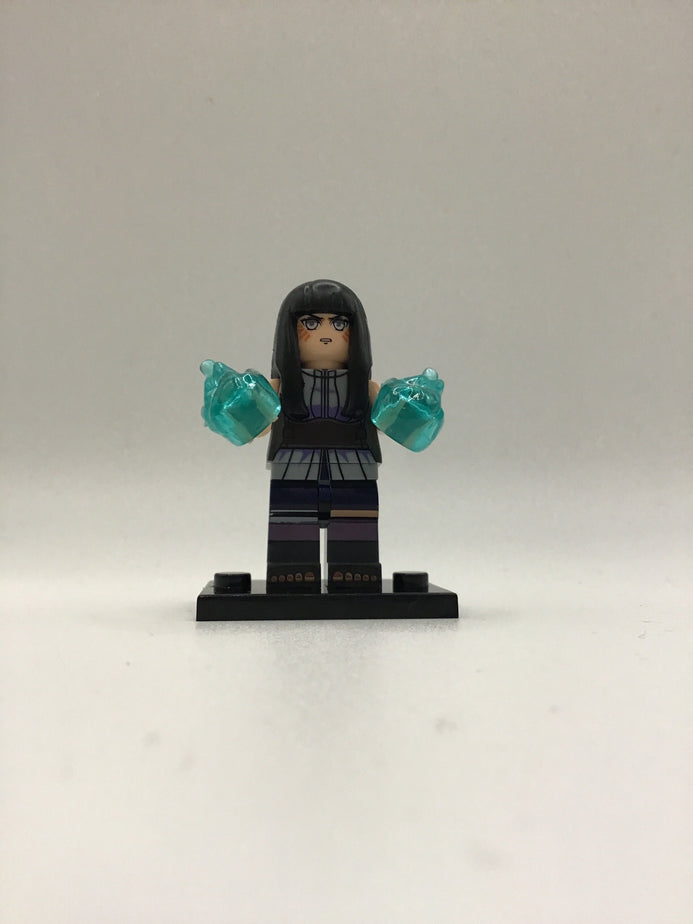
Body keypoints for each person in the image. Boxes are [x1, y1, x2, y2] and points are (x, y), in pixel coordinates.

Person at [265, 280, 383, 593]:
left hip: (354, 461)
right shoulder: (281, 388)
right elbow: (258, 423)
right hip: (294, 460)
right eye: (311, 323)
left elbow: (393, 420)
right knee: (291, 516)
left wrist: (413, 408)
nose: (326, 332)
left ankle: (355, 568)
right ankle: (290, 568)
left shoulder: (365, 389)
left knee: (355, 517)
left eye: (340, 323)